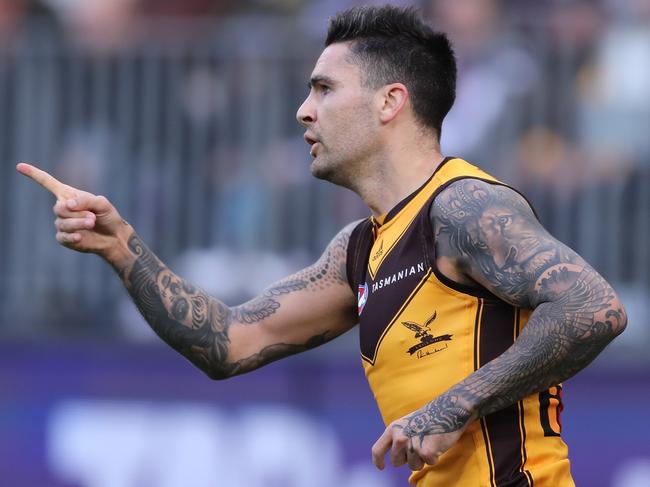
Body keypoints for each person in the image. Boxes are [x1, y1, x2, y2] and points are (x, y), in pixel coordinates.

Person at [17, 5, 626, 486]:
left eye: (324, 89)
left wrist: (452, 406)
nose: (303, 111)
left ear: (391, 102)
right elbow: (229, 343)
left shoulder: (464, 207)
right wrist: (124, 249)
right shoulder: (359, 249)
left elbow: (594, 309)